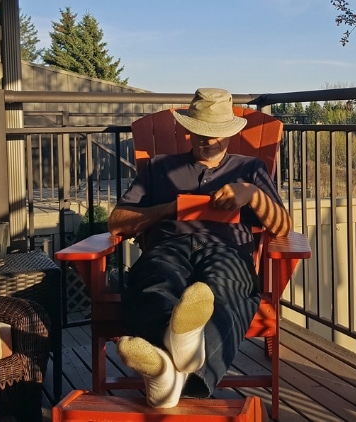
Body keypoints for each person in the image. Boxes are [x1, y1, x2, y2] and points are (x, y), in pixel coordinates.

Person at [107, 87, 292, 408]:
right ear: (187, 130)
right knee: (155, 285)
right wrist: (169, 209)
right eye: (200, 133)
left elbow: (282, 226)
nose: (208, 140)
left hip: (227, 252)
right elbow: (118, 222)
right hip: (169, 248)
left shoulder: (249, 170)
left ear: (230, 135)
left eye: (215, 134)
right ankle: (183, 354)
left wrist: (252, 195)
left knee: (222, 290)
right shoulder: (159, 167)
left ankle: (167, 372)